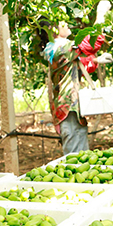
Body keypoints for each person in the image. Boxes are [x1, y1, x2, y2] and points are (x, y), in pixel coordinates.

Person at [43, 23, 106, 155]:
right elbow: (90, 44)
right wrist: (101, 16)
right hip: (68, 107)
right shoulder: (59, 47)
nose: (68, 24)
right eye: (63, 23)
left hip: (73, 107)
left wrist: (95, 60)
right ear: (54, 29)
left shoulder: (59, 49)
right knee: (75, 153)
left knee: (81, 149)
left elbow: (79, 65)